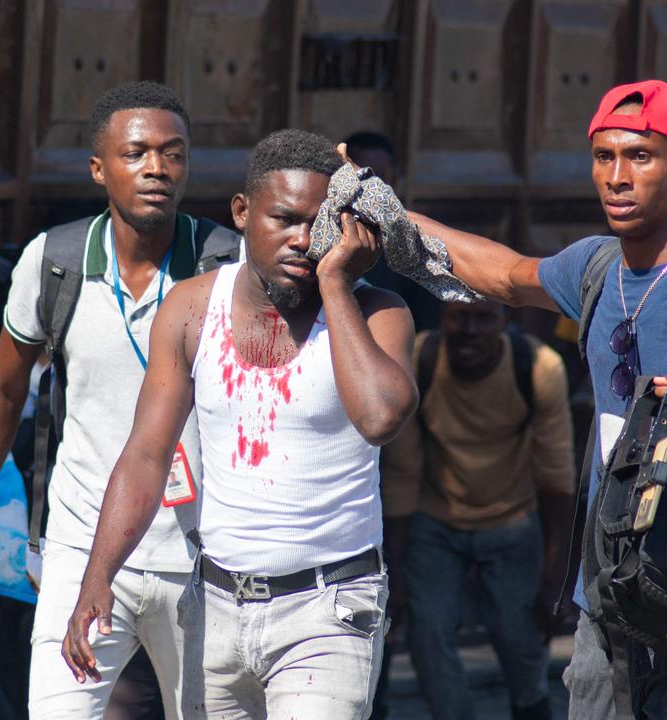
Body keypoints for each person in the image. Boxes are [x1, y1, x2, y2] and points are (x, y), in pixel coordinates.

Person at [401, 80, 667, 718]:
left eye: (640, 156)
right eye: (604, 157)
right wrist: (382, 208)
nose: (617, 177)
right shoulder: (593, 266)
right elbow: (504, 274)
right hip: (609, 592)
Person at [63, 128, 419, 718]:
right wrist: (98, 573)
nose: (304, 240)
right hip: (215, 608)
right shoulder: (190, 309)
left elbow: (381, 417)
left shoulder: (377, 313)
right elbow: (147, 454)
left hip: (330, 610)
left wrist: (335, 282)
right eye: (284, 219)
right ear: (241, 212)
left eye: (320, 223)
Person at [0, 81, 237, 719]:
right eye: (137, 154)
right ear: (99, 169)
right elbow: (2, 390)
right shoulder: (54, 263)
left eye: (174, 153)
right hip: (82, 547)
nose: (157, 168)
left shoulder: (228, 269)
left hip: (206, 556)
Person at [381, 299, 574, 720]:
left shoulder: (539, 368)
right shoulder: (419, 358)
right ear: (443, 318)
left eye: (483, 318)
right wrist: (394, 576)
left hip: (511, 519)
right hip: (435, 519)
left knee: (521, 637)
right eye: (458, 316)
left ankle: (530, 704)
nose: (469, 330)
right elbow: (401, 473)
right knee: (428, 632)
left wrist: (554, 579)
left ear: (505, 321)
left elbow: (557, 476)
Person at [344, 130, 442, 332]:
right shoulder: (313, 236)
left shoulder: (418, 247)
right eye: (359, 178)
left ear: (395, 182)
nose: (369, 190)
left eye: (379, 180)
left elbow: (425, 326)